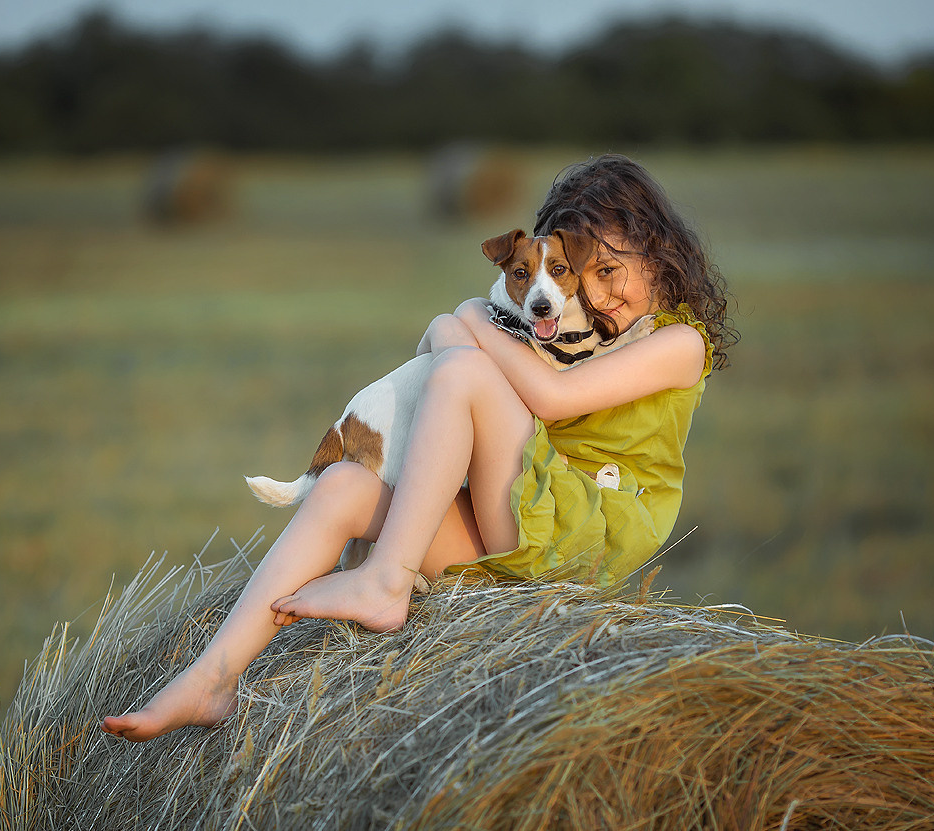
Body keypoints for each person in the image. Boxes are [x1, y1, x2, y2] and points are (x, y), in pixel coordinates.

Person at [101, 153, 735, 741]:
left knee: (461, 369)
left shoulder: (681, 344)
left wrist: (459, 325)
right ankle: (215, 677)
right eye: (582, 272)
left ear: (663, 254)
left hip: (584, 529)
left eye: (610, 268)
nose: (596, 292)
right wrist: (457, 329)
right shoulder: (580, 329)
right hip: (519, 514)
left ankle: (385, 579)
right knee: (344, 486)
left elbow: (551, 401)